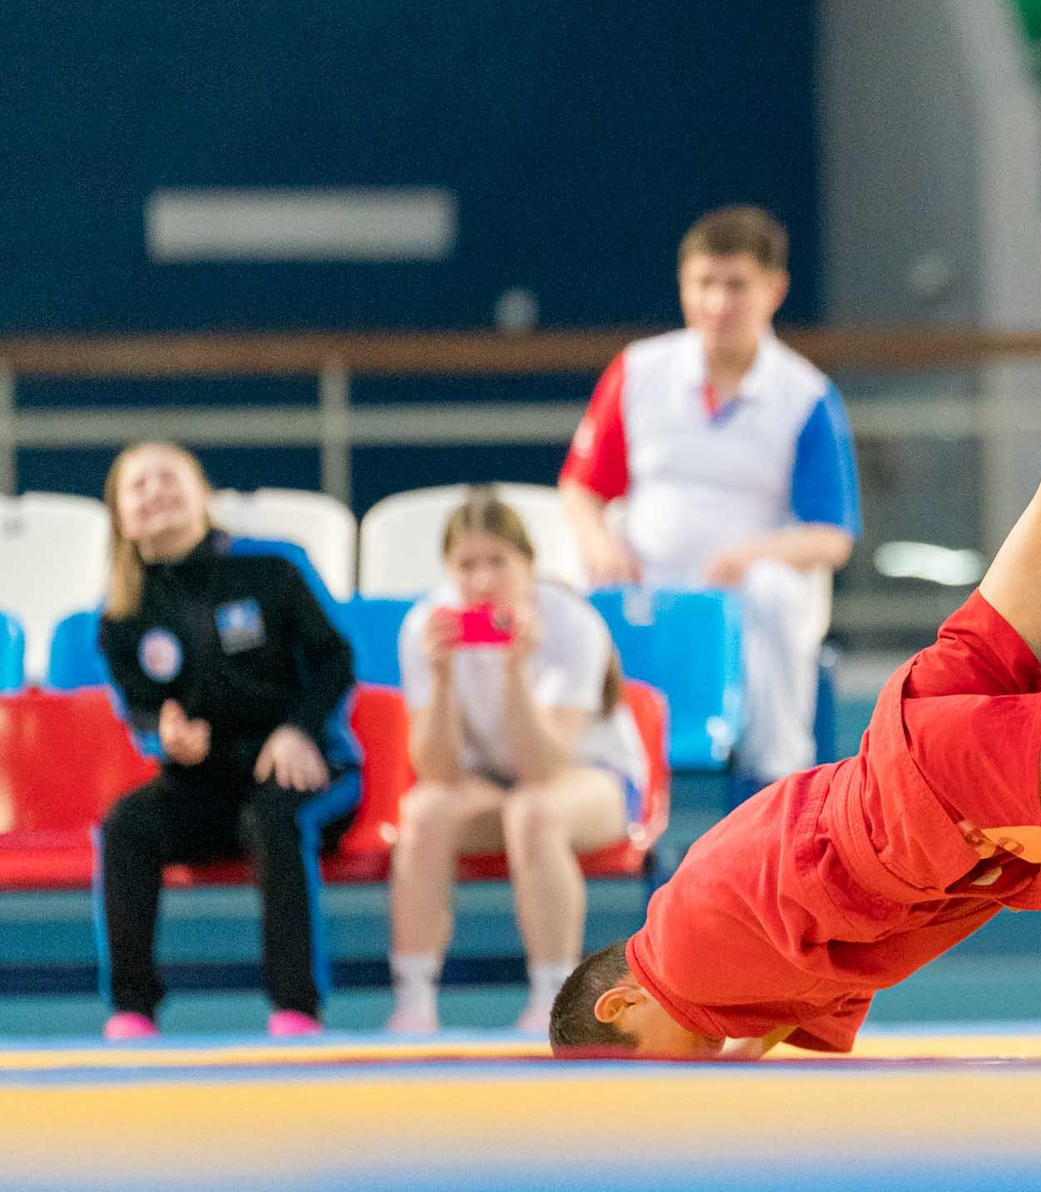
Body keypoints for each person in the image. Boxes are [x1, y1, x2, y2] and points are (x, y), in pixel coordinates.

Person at [551, 123, 1041, 1059]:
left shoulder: (682, 954)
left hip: (929, 791)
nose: (697, 1076)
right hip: (919, 751)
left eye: (667, 1073)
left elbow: (749, 1028)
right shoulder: (715, 957)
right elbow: (771, 1021)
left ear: (623, 1003)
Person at [558, 204, 861, 794]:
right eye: (705, 285)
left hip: (745, 588)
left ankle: (778, 778)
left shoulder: (805, 395)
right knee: (569, 595)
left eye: (736, 286)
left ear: (775, 289)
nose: (719, 304)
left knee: (773, 593)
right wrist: (600, 545)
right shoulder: (637, 371)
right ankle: (585, 771)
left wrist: (756, 555)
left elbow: (833, 535)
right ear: (683, 286)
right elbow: (580, 489)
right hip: (645, 579)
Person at [90, 442, 362, 1040]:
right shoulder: (121, 617)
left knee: (272, 815)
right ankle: (132, 1011)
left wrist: (298, 732)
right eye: (138, 485)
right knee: (126, 827)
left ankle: (296, 1009)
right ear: (120, 516)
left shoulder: (272, 570)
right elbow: (141, 711)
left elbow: (335, 660)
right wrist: (166, 738)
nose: (154, 491)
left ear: (202, 494)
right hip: (207, 785)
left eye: (168, 476)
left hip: (310, 769)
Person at [385, 490, 651, 1036]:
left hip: (592, 778)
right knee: (424, 810)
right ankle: (413, 1002)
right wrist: (439, 678)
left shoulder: (571, 624)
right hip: (492, 784)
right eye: (467, 566)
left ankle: (551, 1002)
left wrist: (514, 671)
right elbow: (435, 770)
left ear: (529, 565)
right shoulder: (424, 628)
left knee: (533, 812)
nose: (483, 581)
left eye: (497, 563)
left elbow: (543, 768)